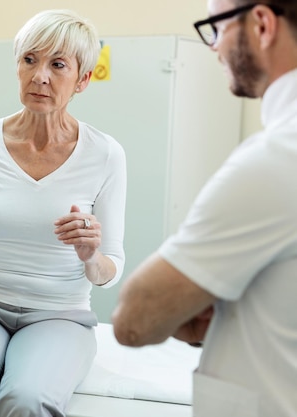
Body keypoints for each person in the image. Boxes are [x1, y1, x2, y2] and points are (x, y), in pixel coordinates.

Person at [0, 9, 127, 417]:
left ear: (83, 80)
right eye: (29, 60)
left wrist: (90, 254)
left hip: (60, 316)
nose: (40, 76)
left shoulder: (105, 155)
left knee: (27, 401)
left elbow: (111, 270)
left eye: (58, 65)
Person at [112, 1, 297, 416]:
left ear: (263, 24)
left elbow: (133, 320)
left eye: (216, 28)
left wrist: (186, 311)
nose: (213, 48)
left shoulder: (275, 160)